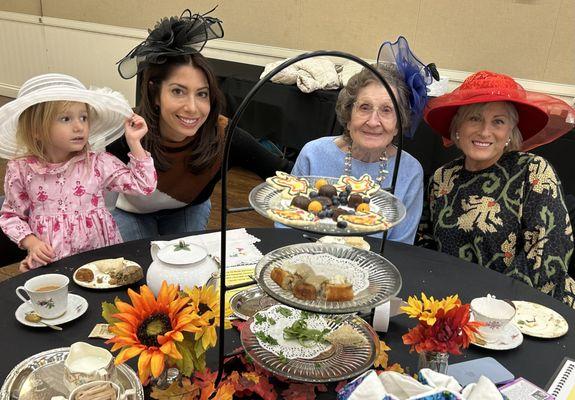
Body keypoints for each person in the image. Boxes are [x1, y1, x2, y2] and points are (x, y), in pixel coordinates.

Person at [108, 9, 292, 240]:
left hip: (188, 208)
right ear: (155, 95)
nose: (192, 108)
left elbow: (285, 173)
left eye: (202, 94)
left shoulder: (225, 136)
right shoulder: (127, 133)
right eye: (178, 91)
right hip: (130, 213)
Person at [419, 70, 575, 308]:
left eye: (498, 121)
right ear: (457, 127)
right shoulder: (443, 178)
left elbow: (548, 255)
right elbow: (425, 245)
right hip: (454, 306)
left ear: (509, 133)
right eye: (474, 118)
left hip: (531, 311)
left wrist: (491, 311)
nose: (484, 131)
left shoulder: (533, 171)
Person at [0, 73, 157, 271]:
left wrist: (134, 142)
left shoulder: (97, 163)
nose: (79, 126)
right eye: (66, 118)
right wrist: (32, 244)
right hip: (53, 264)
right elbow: (10, 216)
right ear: (36, 129)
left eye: (83, 117)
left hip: (101, 261)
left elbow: (145, 186)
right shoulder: (22, 170)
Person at [291, 37, 435, 244]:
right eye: (365, 107)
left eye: (387, 110)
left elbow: (402, 246)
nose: (373, 121)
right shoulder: (313, 154)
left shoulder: (409, 170)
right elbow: (288, 225)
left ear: (398, 124)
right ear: (348, 117)